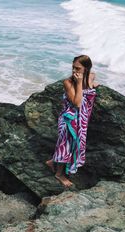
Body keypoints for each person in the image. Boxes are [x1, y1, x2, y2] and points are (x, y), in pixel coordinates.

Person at [46, 55, 98, 188]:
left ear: (86, 69)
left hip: (82, 119)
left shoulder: (90, 76)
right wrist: (80, 83)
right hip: (69, 119)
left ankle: (53, 161)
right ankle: (59, 174)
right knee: (67, 145)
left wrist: (92, 85)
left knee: (75, 145)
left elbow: (93, 78)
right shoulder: (68, 82)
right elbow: (77, 103)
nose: (75, 71)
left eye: (78, 68)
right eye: (73, 67)